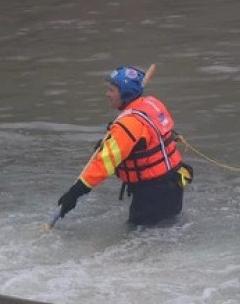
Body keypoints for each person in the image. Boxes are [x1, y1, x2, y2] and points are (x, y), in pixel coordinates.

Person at [56, 66, 193, 226]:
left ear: (126, 94)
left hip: (151, 195)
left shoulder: (127, 125)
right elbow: (155, 134)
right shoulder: (153, 103)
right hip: (173, 184)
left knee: (141, 239)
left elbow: (104, 164)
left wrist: (74, 193)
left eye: (111, 90)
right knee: (167, 231)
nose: (107, 94)